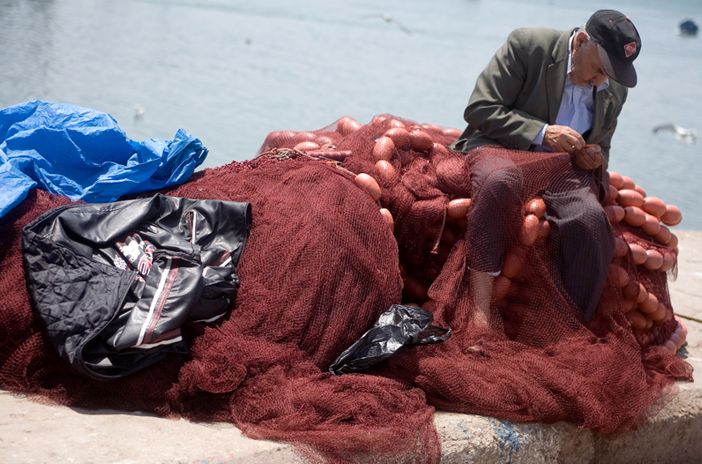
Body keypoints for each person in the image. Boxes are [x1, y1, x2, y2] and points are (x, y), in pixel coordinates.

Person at [451, 10, 642, 328]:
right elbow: (480, 109)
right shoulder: (527, 46)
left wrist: (594, 160)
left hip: (562, 169)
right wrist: (542, 133)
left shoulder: (614, 88)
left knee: (590, 222)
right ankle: (480, 313)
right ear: (581, 42)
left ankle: (568, 329)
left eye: (610, 75)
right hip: (502, 148)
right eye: (598, 70)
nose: (602, 81)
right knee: (500, 182)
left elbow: (603, 146)